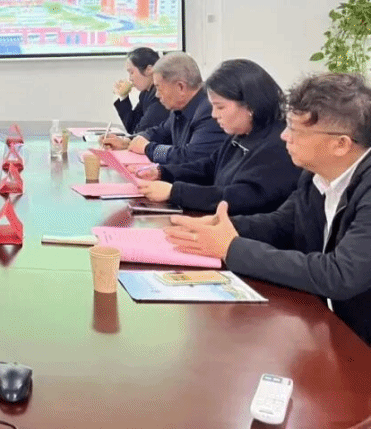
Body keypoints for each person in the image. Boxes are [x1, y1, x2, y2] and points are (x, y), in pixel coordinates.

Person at [166, 72, 371, 346]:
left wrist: (232, 248)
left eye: (295, 130)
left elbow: (340, 274)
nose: (284, 136)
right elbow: (282, 224)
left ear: (340, 144)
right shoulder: (315, 176)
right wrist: (219, 228)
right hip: (327, 327)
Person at [134, 59, 301, 214]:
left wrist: (174, 190)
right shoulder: (241, 133)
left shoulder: (277, 145)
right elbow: (209, 166)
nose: (214, 114)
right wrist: (162, 172)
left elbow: (241, 196)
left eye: (220, 107)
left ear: (250, 105)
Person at [103, 52, 226, 165]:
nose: (157, 94)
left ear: (180, 87)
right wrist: (127, 141)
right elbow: (159, 132)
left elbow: (189, 157)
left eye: (159, 88)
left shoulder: (210, 110)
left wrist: (148, 148)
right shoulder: (179, 107)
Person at [112, 47, 170, 134]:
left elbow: (140, 132)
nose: (130, 78)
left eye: (131, 72)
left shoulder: (159, 95)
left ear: (149, 70)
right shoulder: (145, 94)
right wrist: (124, 97)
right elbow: (132, 127)